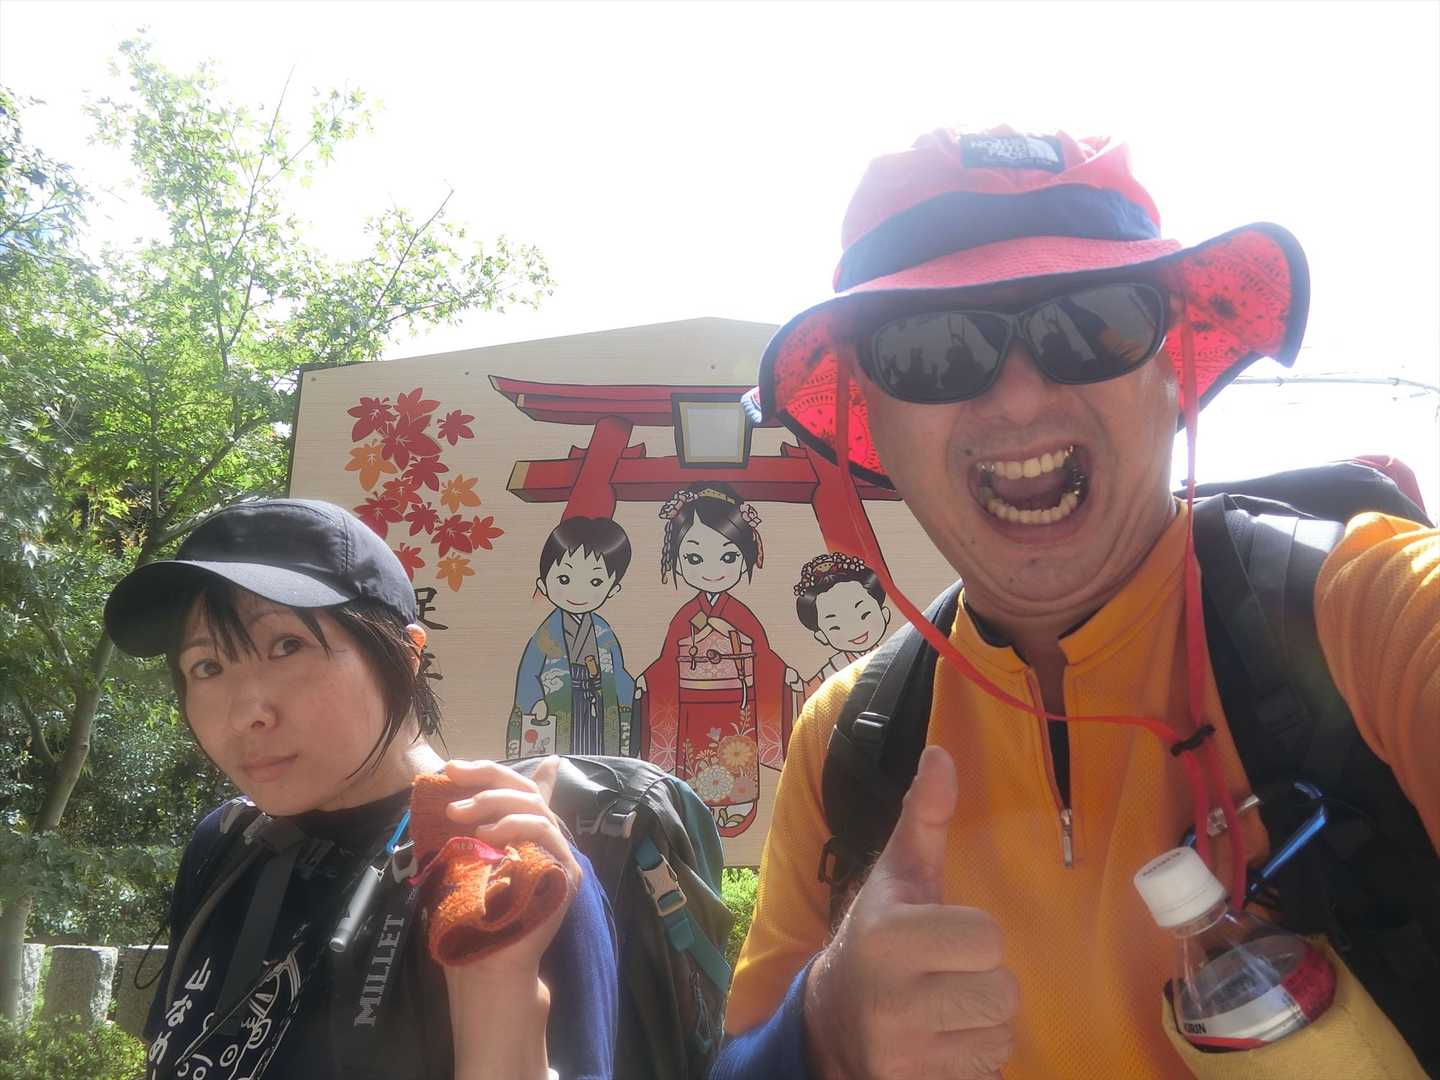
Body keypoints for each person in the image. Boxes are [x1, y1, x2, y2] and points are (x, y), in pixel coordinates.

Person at [713, 127, 1439, 1077]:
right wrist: (822, 1028)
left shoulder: (1367, 614)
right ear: (871, 420)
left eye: (1095, 321)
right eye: (929, 347)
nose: (1021, 398)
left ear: (1173, 370)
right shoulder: (848, 743)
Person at [103, 498, 618, 1080]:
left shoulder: (507, 866)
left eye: (287, 646)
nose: (246, 714)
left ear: (407, 652)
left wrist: (498, 985)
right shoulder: (227, 843)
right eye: (207, 667)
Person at [633, 482, 802, 837]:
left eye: (728, 557)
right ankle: (701, 808)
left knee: (735, 754)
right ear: (677, 561)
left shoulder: (741, 614)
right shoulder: (685, 616)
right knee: (696, 756)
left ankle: (736, 806)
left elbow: (763, 657)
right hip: (693, 706)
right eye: (694, 558)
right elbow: (667, 662)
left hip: (738, 705)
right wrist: (649, 680)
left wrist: (782, 673)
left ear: (745, 557)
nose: (712, 570)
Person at [509, 516, 636, 759]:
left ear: (613, 589)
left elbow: (618, 672)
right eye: (564, 579)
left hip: (598, 704)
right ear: (543, 584)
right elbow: (529, 673)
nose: (578, 592)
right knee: (562, 759)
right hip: (560, 704)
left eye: (595, 581)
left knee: (596, 754)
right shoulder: (546, 634)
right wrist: (535, 700)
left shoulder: (603, 632)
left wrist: (634, 690)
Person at [792, 552, 892, 697]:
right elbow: (810, 695)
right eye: (836, 627)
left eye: (864, 615)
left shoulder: (894, 653)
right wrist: (796, 684)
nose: (855, 629)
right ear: (822, 636)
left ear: (884, 614)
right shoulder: (834, 668)